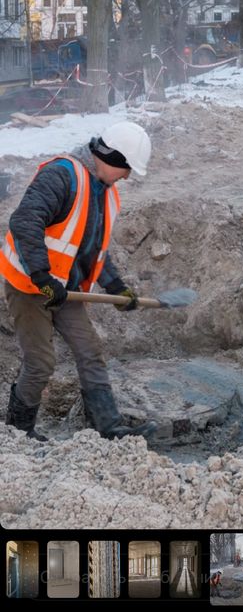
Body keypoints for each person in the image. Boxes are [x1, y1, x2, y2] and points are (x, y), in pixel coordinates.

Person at [0, 120, 161, 442]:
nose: (128, 176)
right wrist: (42, 275)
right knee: (41, 363)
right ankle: (18, 433)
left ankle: (109, 426)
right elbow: (24, 221)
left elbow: (92, 249)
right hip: (29, 285)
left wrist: (116, 287)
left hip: (65, 291)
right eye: (127, 168)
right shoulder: (62, 175)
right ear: (112, 158)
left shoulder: (106, 193)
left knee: (90, 351)